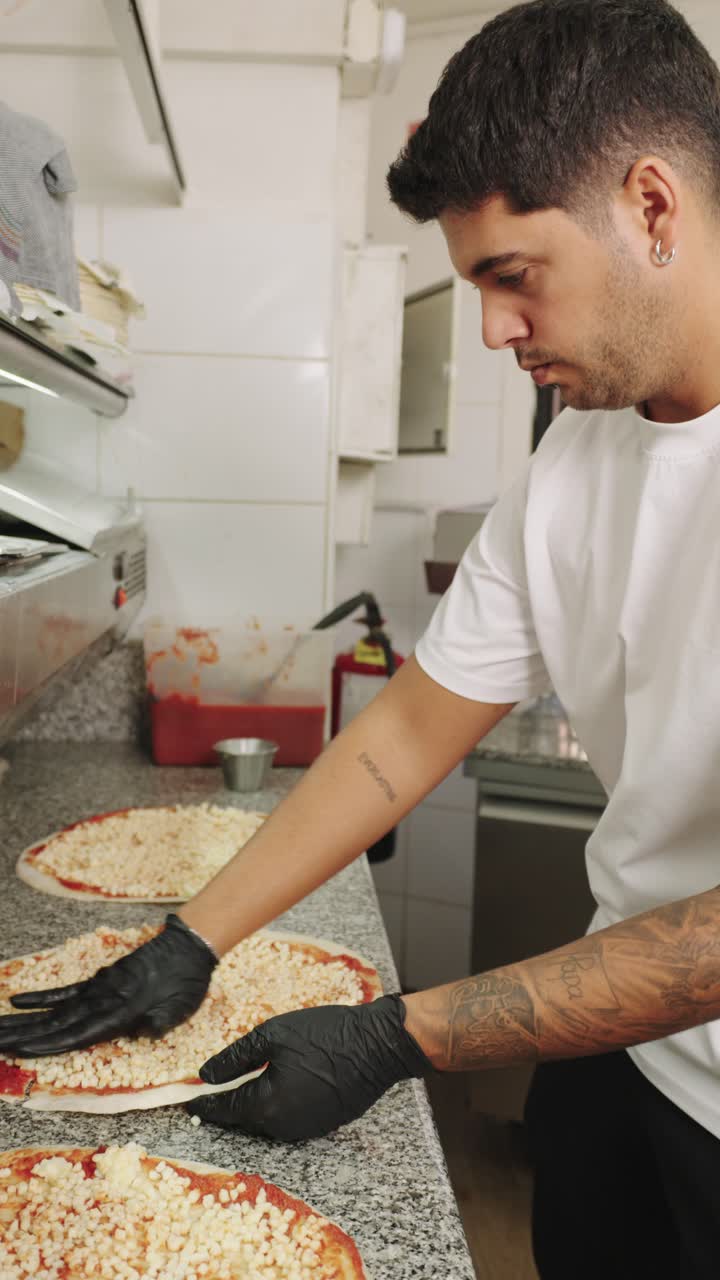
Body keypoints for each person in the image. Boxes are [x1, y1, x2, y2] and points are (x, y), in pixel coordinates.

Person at [4, 0, 720, 1272]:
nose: (496, 329)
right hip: (616, 1054)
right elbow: (403, 735)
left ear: (652, 208)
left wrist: (402, 1034)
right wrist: (193, 937)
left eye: (513, 274)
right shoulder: (576, 463)